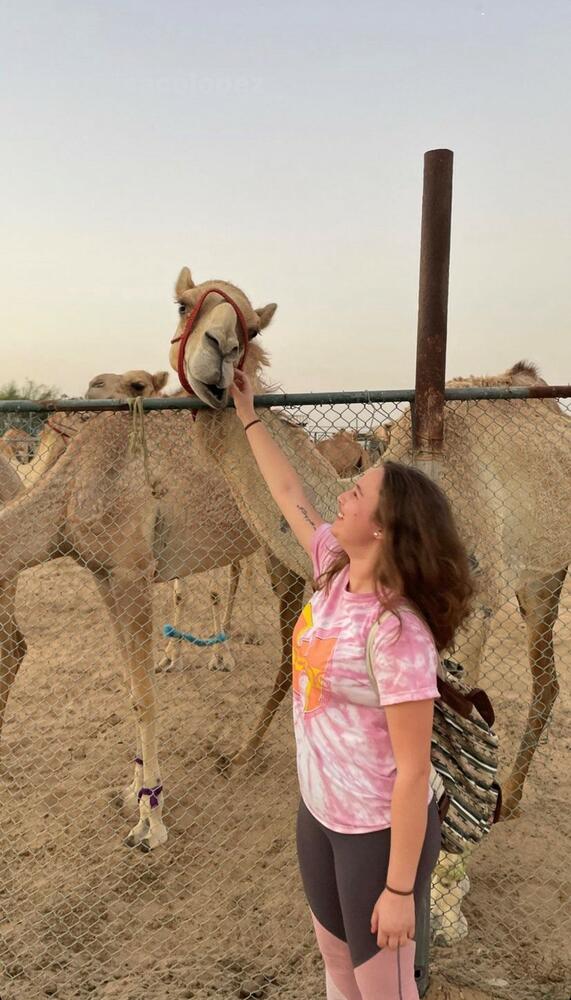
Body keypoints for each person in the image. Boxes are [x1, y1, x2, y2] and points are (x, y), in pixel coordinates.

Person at [230, 371, 474, 1000]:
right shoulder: (332, 566)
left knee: (387, 992)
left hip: (375, 834)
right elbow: (288, 491)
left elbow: (415, 773)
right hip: (318, 814)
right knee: (339, 973)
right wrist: (249, 415)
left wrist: (398, 891)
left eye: (357, 491)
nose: (341, 494)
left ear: (384, 529)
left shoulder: (397, 633)